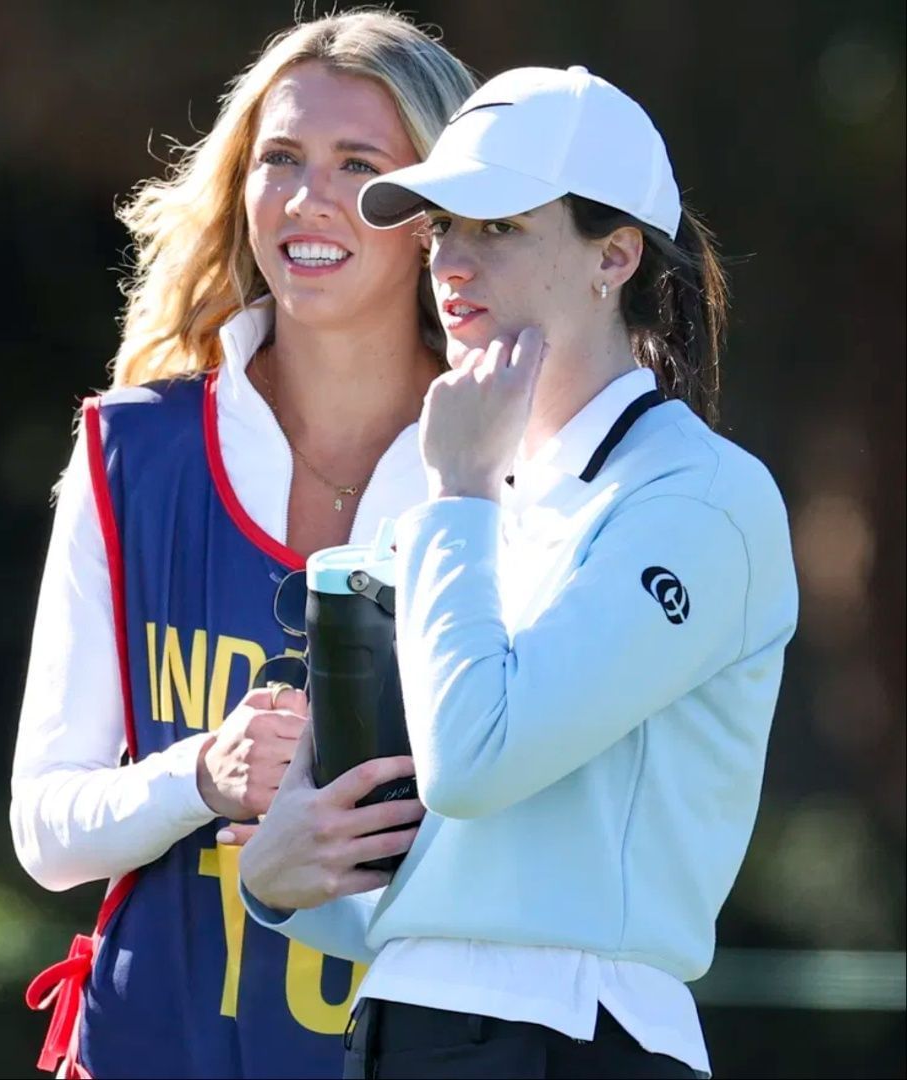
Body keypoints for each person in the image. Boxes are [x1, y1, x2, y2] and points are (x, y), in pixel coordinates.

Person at [235, 66, 799, 1079]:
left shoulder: (703, 498)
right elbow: (416, 886)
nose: (451, 260)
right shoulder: (458, 502)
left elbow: (479, 762)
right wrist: (277, 886)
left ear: (615, 255)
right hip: (401, 1025)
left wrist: (455, 494)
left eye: (499, 227)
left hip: (581, 1039)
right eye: (443, 226)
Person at [10, 12, 473, 1077]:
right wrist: (201, 776)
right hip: (149, 1046)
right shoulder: (129, 449)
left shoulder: (513, 468)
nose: (308, 200)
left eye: (361, 165)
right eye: (280, 160)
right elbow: (46, 829)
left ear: (436, 212)